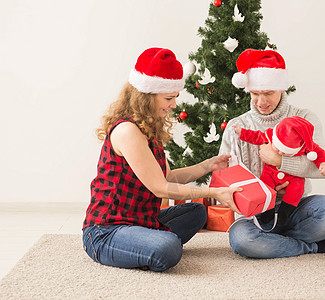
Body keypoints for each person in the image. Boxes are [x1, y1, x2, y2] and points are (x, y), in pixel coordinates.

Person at [82, 47, 242, 272]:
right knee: (168, 249)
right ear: (146, 97)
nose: (174, 105)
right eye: (169, 98)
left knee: (197, 212)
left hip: (140, 220)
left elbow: (166, 177)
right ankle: (146, 245)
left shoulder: (148, 127)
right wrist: (213, 193)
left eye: (175, 97)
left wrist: (207, 166)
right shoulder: (127, 131)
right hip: (106, 231)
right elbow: (161, 188)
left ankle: (143, 243)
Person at [220, 48, 325, 258]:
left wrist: (279, 161)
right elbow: (224, 179)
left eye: (268, 93)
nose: (261, 102)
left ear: (282, 89)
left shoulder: (304, 118)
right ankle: (313, 247)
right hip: (255, 215)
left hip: (295, 207)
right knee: (242, 240)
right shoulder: (237, 126)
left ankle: (275, 244)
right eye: (255, 94)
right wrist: (262, 193)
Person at [232, 116, 325, 226]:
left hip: (293, 176)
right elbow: (256, 136)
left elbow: (319, 152)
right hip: (270, 172)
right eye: (277, 148)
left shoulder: (305, 145)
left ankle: (285, 212)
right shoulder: (271, 134)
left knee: (297, 189)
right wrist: (241, 133)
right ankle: (267, 210)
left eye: (285, 152)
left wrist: (323, 164)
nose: (279, 153)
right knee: (266, 186)